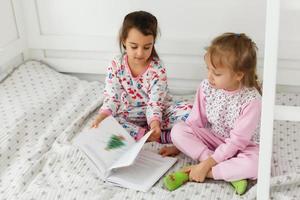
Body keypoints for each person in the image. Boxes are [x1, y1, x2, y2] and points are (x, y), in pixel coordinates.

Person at [161, 33, 262, 195]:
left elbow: (237, 142)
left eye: (217, 73)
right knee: (178, 131)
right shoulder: (207, 87)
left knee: (257, 165)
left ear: (238, 75)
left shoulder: (251, 100)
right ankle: (230, 173)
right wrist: (179, 145)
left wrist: (207, 164)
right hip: (214, 139)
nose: (209, 77)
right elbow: (195, 122)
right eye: (208, 69)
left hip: (244, 146)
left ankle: (202, 172)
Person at [91, 11, 192, 144]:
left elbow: (155, 103)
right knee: (108, 123)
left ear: (153, 43)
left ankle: (155, 134)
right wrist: (102, 116)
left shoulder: (157, 68)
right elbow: (112, 98)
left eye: (146, 47)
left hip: (158, 114)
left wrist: (155, 123)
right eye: (134, 47)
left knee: (191, 112)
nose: (140, 53)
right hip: (129, 116)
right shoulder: (116, 64)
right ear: (124, 41)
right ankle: (149, 135)